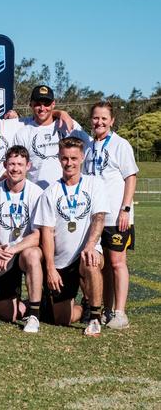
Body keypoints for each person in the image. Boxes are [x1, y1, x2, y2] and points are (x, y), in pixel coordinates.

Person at [34, 137, 109, 336]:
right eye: (65, 158)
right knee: (61, 319)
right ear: (59, 159)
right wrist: (50, 268)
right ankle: (83, 307)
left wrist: (91, 245)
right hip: (62, 262)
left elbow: (99, 217)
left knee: (91, 261)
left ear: (82, 158)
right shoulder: (50, 192)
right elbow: (47, 233)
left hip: (86, 253)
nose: (70, 163)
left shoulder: (95, 184)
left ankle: (94, 317)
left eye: (74, 158)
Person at [82, 101, 138, 329]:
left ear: (112, 121)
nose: (99, 122)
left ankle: (120, 312)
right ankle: (104, 309)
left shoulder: (120, 145)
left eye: (104, 118)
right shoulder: (88, 145)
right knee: (101, 264)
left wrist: (125, 209)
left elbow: (131, 177)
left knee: (117, 263)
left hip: (116, 216)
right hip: (96, 218)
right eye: (96, 118)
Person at [0, 146, 44, 333]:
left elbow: (38, 235)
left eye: (20, 164)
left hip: (22, 251)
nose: (15, 169)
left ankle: (34, 314)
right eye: (12, 164)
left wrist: (12, 250)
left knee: (32, 255)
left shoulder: (37, 193)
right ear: (5, 165)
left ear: (28, 166)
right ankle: (30, 302)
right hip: (1, 254)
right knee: (8, 315)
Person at [12, 85, 85, 189]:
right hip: (38, 194)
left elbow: (91, 148)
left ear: (53, 104)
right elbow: (16, 166)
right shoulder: (23, 133)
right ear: (31, 105)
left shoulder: (68, 124)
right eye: (37, 104)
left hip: (69, 192)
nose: (42, 108)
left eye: (46, 104)